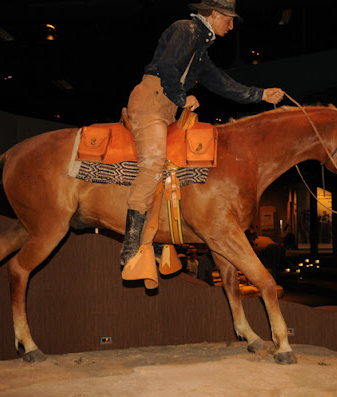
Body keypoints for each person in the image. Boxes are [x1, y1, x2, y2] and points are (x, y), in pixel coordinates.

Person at [121, 0, 286, 265]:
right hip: (151, 101)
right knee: (152, 163)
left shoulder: (199, 49)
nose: (231, 26)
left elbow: (222, 84)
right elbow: (167, 68)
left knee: (174, 168)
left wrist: (261, 95)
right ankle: (130, 246)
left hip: (167, 108)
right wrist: (181, 97)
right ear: (215, 14)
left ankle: (153, 235)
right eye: (229, 20)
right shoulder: (187, 30)